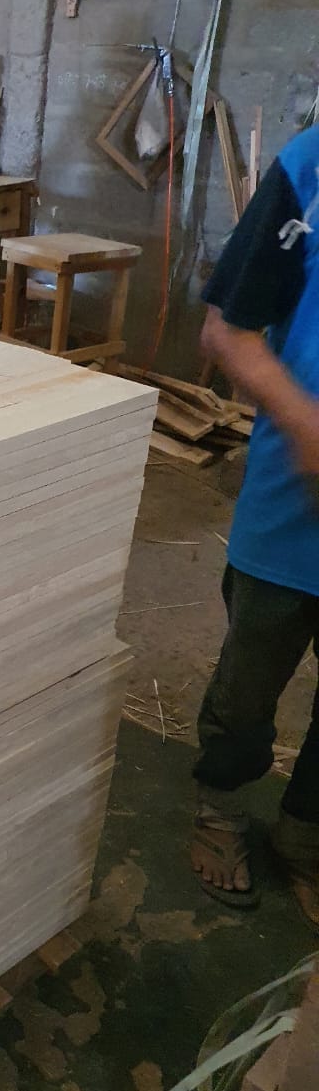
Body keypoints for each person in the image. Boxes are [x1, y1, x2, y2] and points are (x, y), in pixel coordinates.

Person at [190, 121, 319, 930]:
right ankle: (222, 806)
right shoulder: (309, 169)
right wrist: (305, 425)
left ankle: (305, 834)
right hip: (292, 509)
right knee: (249, 682)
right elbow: (225, 331)